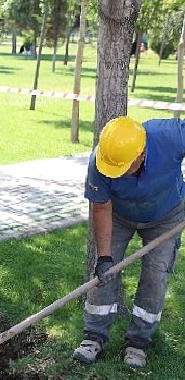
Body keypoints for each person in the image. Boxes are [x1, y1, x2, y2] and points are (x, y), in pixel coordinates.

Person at [73, 116, 185, 368]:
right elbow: (100, 207)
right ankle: (93, 336)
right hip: (119, 216)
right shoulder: (101, 161)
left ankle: (138, 342)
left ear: (141, 154)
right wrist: (104, 257)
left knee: (156, 275)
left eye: (124, 167)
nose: (118, 173)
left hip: (166, 216)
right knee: (104, 273)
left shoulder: (170, 135)